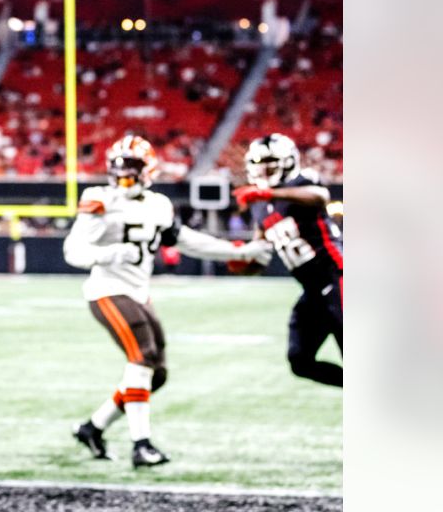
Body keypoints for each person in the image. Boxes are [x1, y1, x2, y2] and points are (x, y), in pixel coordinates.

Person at [63, 135, 273, 467]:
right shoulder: (99, 200)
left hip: (138, 292)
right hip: (107, 290)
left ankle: (93, 427)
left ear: (148, 171)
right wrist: (111, 253)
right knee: (142, 357)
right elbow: (73, 251)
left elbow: (187, 241)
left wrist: (240, 250)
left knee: (156, 373)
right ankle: (141, 444)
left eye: (131, 168)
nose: (124, 176)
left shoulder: (158, 205)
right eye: (119, 169)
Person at [234, 133, 344, 386]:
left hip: (337, 275)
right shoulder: (260, 204)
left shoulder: (301, 182)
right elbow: (259, 254)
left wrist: (268, 194)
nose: (263, 169)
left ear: (288, 162)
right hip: (312, 290)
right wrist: (242, 263)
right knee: (300, 360)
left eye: (270, 163)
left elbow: (319, 196)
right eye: (259, 164)